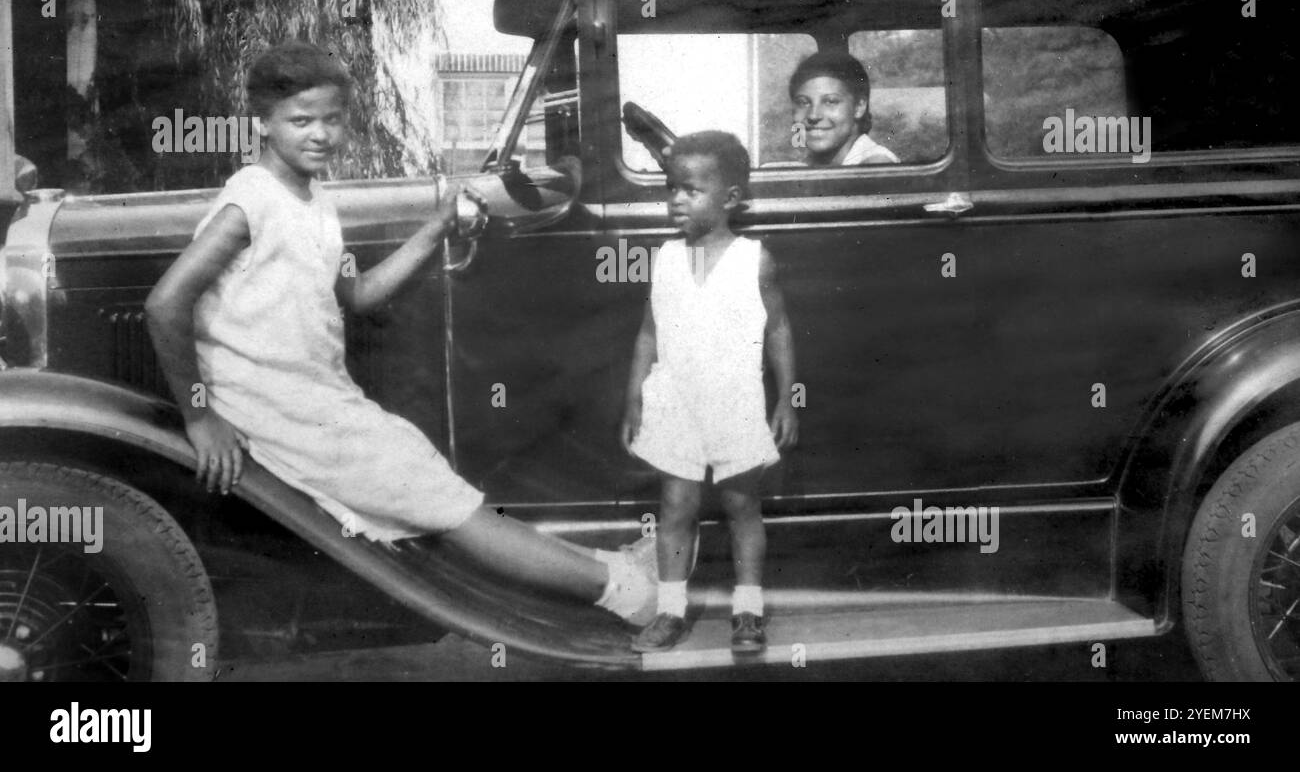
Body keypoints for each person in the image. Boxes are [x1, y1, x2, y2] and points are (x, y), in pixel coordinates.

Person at [145, 41, 654, 626]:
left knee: (431, 481)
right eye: (300, 121)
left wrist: (437, 227)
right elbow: (165, 304)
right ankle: (621, 591)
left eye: (333, 120)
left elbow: (359, 295)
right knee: (439, 498)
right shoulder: (252, 200)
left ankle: (601, 561)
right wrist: (201, 416)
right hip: (268, 408)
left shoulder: (316, 205)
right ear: (263, 123)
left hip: (314, 400)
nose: (320, 135)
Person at [620, 130, 799, 654]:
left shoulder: (755, 259)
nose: (676, 199)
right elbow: (649, 335)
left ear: (730, 199)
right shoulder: (665, 258)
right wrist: (633, 399)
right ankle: (671, 610)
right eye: (671, 188)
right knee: (675, 508)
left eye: (691, 190)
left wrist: (787, 397)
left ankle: (748, 611)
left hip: (735, 403)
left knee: (743, 507)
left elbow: (779, 330)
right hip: (674, 403)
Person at [788, 50, 900, 166]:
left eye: (830, 101)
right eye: (803, 103)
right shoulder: (805, 166)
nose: (813, 115)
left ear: (859, 107)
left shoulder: (875, 164)